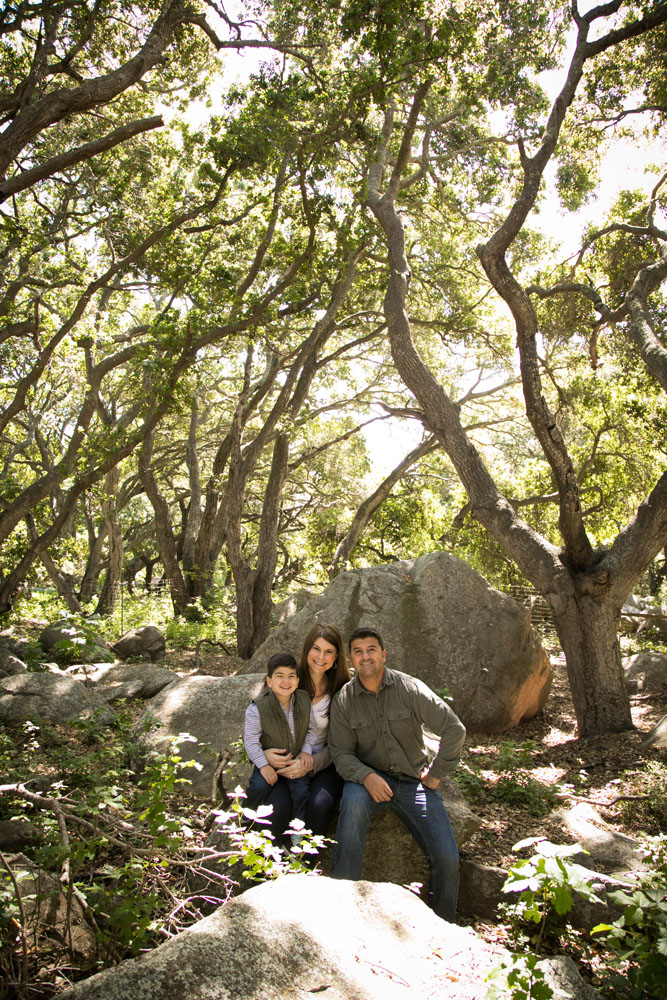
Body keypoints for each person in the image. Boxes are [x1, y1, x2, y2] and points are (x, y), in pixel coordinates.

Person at [328, 627, 466, 923]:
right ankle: (341, 911)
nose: (366, 656)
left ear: (383, 654)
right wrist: (366, 777)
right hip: (367, 783)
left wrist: (436, 774)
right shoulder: (344, 700)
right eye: (358, 652)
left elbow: (455, 729)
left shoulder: (409, 688)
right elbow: (340, 753)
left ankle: (442, 926)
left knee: (446, 857)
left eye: (371, 650)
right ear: (351, 658)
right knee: (351, 806)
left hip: (414, 783)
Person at [256, 623, 350, 842]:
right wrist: (265, 754)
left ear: (336, 656)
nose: (320, 656)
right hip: (283, 760)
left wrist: (310, 764)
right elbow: (257, 724)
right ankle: (271, 870)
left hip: (323, 764)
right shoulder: (286, 678)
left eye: (328, 651)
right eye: (316, 649)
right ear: (307, 650)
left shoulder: (342, 689)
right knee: (277, 807)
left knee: (319, 804)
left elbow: (341, 744)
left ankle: (305, 868)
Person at [243, 652, 317, 827]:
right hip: (269, 763)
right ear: (269, 681)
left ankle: (297, 829)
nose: (286, 681)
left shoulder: (304, 700)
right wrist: (264, 765)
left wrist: (306, 750)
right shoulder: (257, 708)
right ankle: (245, 820)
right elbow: (251, 741)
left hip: (295, 761)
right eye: (280, 676)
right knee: (259, 787)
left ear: (298, 681)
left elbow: (312, 729)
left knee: (301, 791)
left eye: (291, 676)